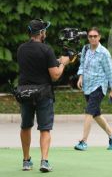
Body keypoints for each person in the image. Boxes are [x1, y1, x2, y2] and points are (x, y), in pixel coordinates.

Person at [17, 18, 70, 172]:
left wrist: (56, 60)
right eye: (44, 30)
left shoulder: (21, 49)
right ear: (41, 33)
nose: (45, 33)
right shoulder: (47, 50)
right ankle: (44, 161)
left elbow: (34, 64)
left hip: (25, 92)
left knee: (25, 126)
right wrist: (63, 63)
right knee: (45, 128)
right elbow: (55, 74)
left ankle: (26, 161)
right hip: (43, 94)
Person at [74, 27, 112, 151]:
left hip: (99, 86)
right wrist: (80, 77)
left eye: (95, 36)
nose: (93, 38)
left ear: (99, 37)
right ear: (88, 38)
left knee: (89, 111)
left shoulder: (104, 53)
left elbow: (110, 71)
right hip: (87, 86)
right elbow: (82, 64)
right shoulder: (86, 49)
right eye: (90, 36)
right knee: (96, 114)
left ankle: (83, 141)